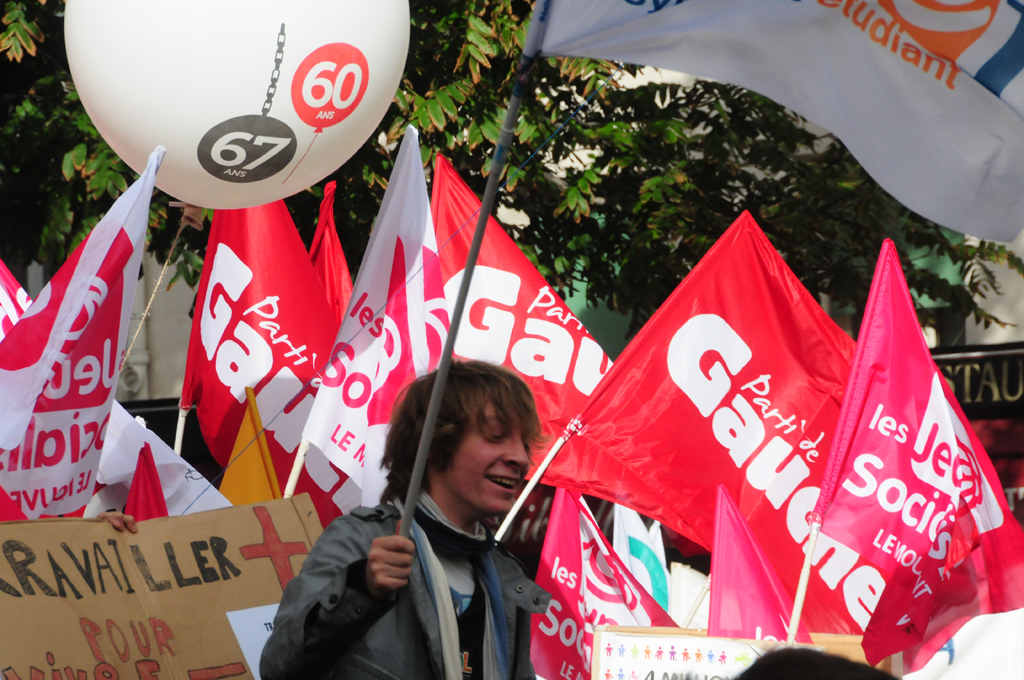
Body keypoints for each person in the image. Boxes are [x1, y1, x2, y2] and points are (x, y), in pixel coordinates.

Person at [261, 360, 551, 680]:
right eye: (497, 436)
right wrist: (360, 592)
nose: (521, 458)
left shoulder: (508, 577)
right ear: (434, 443)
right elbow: (279, 668)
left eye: (525, 444)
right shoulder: (359, 542)